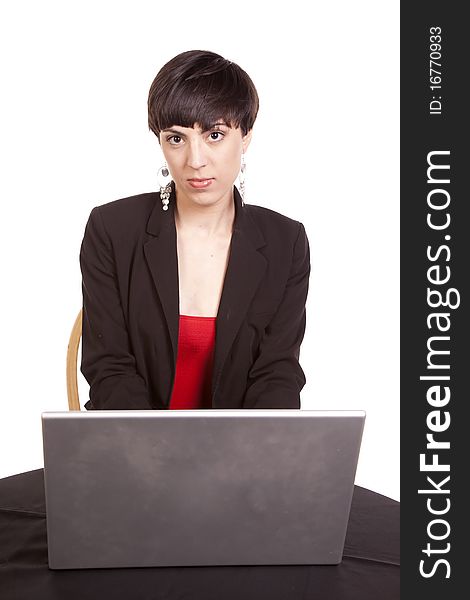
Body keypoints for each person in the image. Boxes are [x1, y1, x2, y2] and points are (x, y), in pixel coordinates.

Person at [80, 49, 310, 410]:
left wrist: (262, 457)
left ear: (245, 135)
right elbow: (109, 367)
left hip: (238, 458)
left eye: (215, 135)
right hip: (130, 451)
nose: (195, 160)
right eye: (176, 138)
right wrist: (155, 459)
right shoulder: (111, 230)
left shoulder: (286, 242)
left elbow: (277, 374)